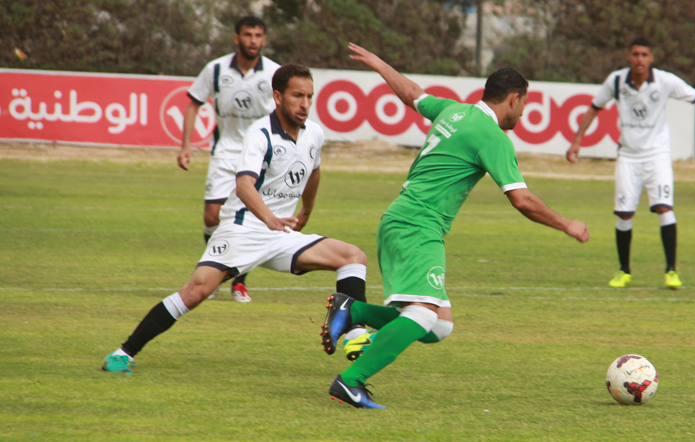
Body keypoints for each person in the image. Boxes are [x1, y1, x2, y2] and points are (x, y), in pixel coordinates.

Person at [318, 43, 590, 409]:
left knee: (439, 324)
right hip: (419, 226)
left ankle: (355, 311)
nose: (523, 113)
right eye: (524, 104)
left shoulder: (453, 110)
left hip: (400, 219)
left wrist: (381, 63)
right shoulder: (493, 137)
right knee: (421, 314)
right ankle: (351, 380)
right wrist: (567, 224)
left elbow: (411, 94)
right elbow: (522, 199)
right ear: (512, 99)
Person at [102, 65, 369, 374]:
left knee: (353, 256)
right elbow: (244, 185)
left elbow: (314, 170)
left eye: (310, 96)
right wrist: (268, 217)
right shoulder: (260, 133)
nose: (305, 103)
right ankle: (123, 353)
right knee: (196, 292)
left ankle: (354, 332)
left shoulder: (315, 133)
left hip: (281, 233)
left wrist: (306, 210)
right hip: (243, 229)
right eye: (297, 96)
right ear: (278, 97)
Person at [565, 37, 695, 290]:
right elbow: (594, 108)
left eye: (644, 55)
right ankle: (624, 271)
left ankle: (671, 271)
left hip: (657, 155)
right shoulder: (616, 81)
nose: (640, 59)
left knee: (664, 208)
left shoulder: (665, 81)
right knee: (625, 214)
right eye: (635, 54)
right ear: (629, 57)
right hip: (628, 156)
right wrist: (577, 141)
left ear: (651, 58)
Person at [176, 16, 281, 303]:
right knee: (212, 217)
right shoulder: (216, 68)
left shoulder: (274, 72)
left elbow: (283, 114)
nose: (253, 40)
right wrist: (186, 146)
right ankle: (215, 273)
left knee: (246, 219)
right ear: (237, 38)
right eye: (248, 35)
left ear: (265, 39)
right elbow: (193, 105)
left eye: (259, 35)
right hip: (224, 153)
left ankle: (240, 283)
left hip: (258, 155)